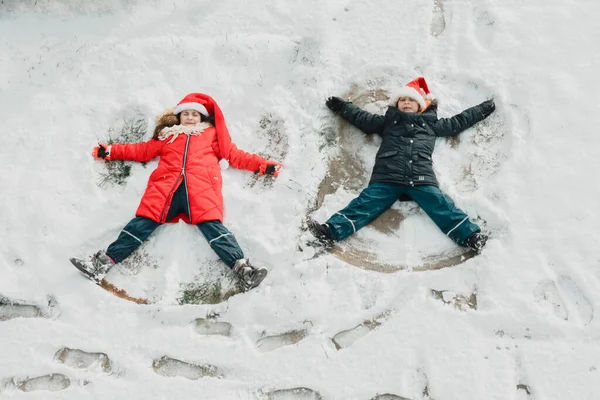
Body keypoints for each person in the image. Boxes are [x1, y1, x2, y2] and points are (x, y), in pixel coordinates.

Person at [71, 93, 283, 291]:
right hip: (166, 190)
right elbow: (141, 150)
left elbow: (235, 155)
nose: (190, 118)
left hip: (200, 191)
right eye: (185, 114)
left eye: (194, 114)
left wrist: (262, 165)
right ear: (179, 117)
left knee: (214, 229)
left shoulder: (211, 136)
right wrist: (110, 151)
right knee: (140, 225)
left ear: (201, 117)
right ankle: (101, 264)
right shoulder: (168, 137)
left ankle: (244, 270)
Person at [308, 77, 495, 253]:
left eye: (411, 100)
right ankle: (330, 231)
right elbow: (361, 118)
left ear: (421, 105)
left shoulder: (431, 124)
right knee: (365, 204)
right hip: (387, 177)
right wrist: (341, 106)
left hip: (420, 177)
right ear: (396, 104)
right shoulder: (388, 122)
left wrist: (482, 110)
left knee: (441, 205)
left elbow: (459, 121)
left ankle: (471, 237)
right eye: (402, 100)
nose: (406, 103)